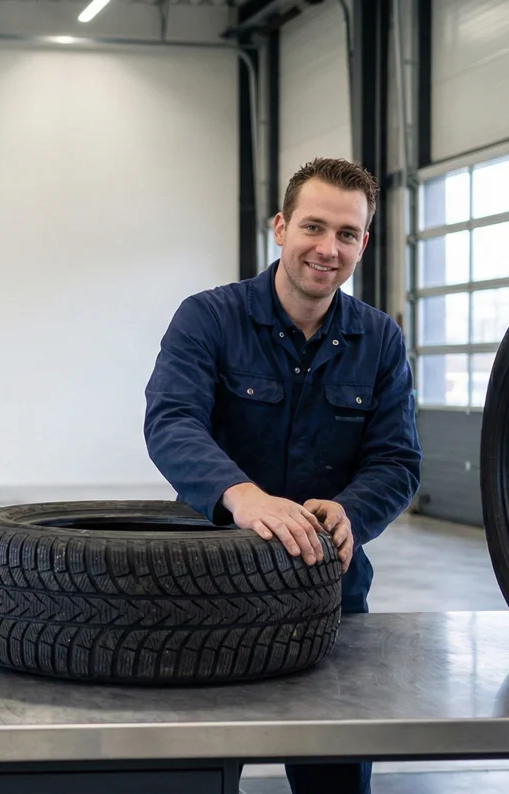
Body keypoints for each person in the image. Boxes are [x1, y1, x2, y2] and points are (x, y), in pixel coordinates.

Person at [142, 156, 422, 794]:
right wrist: (242, 497)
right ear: (280, 227)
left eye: (346, 234)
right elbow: (171, 420)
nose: (328, 249)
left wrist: (352, 511)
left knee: (334, 775)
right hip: (209, 586)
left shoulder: (379, 339)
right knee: (200, 771)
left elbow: (397, 458)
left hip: (329, 587)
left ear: (364, 243)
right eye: (313, 227)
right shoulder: (209, 318)